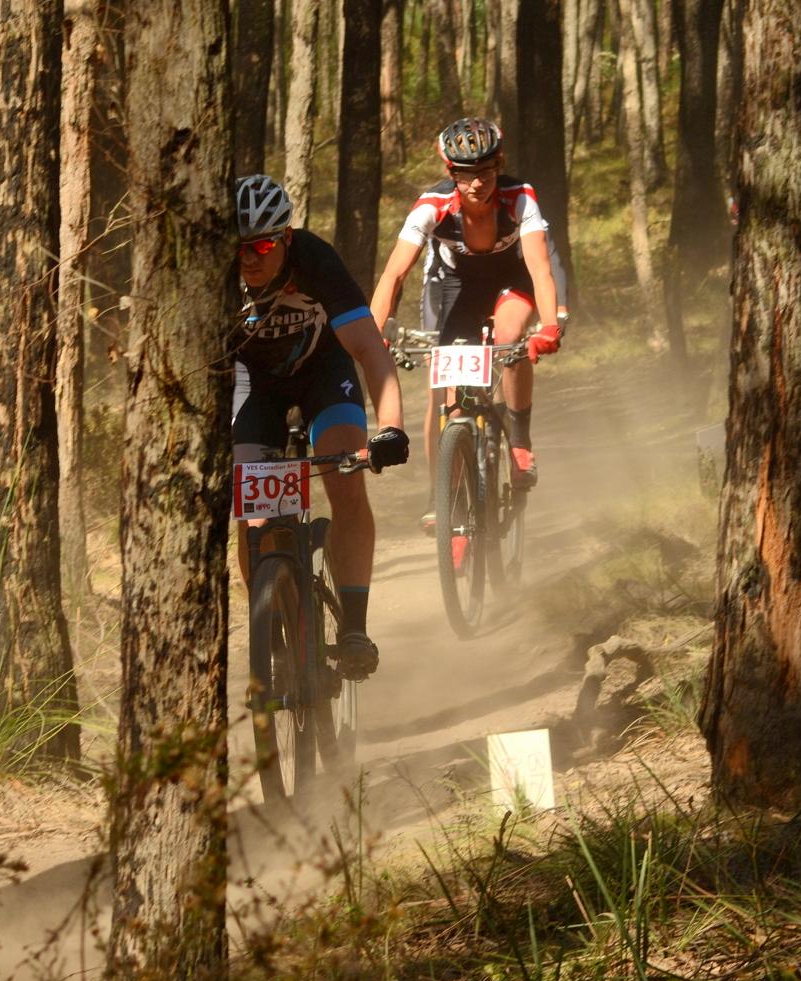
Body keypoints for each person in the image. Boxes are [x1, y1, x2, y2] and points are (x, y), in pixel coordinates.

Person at [231, 174, 409, 678]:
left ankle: (354, 626)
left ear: (286, 238)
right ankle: (277, 628)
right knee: (256, 520)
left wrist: (391, 427)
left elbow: (369, 350)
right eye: (239, 247)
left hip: (322, 375)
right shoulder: (220, 271)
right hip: (256, 387)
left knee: (345, 476)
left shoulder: (315, 259)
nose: (249, 258)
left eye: (262, 244)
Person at [368, 117, 566, 531]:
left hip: (512, 280)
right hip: (454, 285)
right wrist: (373, 330)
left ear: (499, 164)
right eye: (465, 173)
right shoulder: (431, 206)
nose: (477, 182)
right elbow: (394, 275)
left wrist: (549, 326)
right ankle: (441, 493)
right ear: (450, 173)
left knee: (510, 339)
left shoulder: (520, 199)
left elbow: (540, 268)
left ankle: (519, 438)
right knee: (444, 395)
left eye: (486, 170)